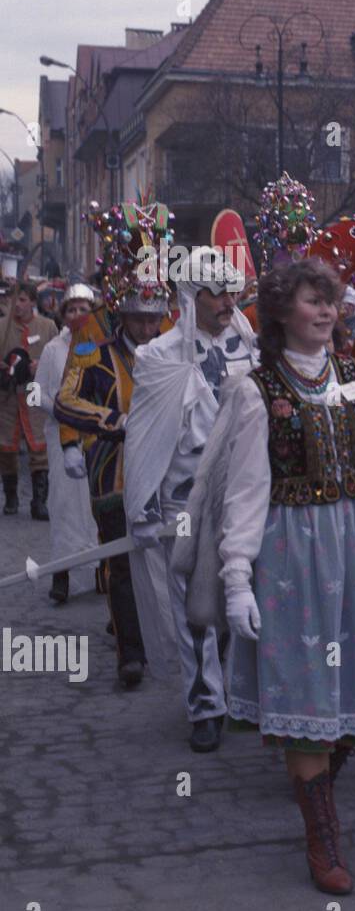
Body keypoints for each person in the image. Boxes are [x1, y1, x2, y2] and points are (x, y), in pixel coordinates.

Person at [181, 258, 355, 894]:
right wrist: (236, 577)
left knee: (348, 687)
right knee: (305, 687)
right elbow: (243, 490)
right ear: (280, 312)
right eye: (311, 301)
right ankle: (322, 834)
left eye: (331, 300)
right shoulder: (255, 388)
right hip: (294, 553)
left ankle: (320, 767)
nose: (325, 310)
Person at [124, 251, 257, 752]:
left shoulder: (252, 347)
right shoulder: (159, 357)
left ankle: (244, 694)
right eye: (216, 293)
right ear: (189, 296)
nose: (228, 302)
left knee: (243, 601)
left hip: (244, 496)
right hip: (185, 504)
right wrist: (142, 504)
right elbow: (145, 436)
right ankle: (206, 706)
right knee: (194, 611)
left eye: (232, 291)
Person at [54, 283, 166, 686]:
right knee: (122, 563)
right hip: (115, 472)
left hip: (166, 475)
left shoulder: (172, 352)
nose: (147, 325)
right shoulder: (93, 353)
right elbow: (66, 399)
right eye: (139, 317)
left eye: (154, 317)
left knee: (168, 560)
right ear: (123, 315)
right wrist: (112, 422)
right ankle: (131, 653)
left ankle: (167, 640)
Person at [30, 284, 100, 603]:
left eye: (83, 309)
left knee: (94, 504)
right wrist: (57, 408)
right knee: (63, 504)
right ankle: (62, 573)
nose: (77, 315)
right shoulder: (53, 350)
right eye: (71, 309)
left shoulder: (101, 347)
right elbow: (37, 391)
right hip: (61, 436)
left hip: (94, 437)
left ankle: (102, 568)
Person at [1, 282, 58, 519]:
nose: (19, 305)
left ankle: (39, 501)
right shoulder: (2, 327)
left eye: (24, 300)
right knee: (5, 448)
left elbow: (58, 358)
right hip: (7, 396)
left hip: (35, 394)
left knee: (39, 446)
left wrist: (41, 366)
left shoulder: (47, 327)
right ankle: (11, 497)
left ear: (33, 302)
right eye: (16, 299)